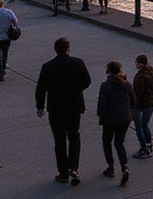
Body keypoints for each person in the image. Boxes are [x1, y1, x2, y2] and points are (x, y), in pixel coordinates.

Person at [35, 36, 92, 185]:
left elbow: (41, 88)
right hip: (74, 106)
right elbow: (87, 81)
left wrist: (40, 106)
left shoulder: (47, 67)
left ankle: (63, 173)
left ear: (55, 49)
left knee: (59, 141)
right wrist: (75, 90)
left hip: (56, 108)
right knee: (74, 136)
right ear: (68, 49)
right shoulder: (78, 63)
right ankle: (74, 168)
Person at [97, 60, 135, 185]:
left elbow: (102, 105)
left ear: (108, 71)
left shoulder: (106, 86)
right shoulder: (127, 84)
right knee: (119, 143)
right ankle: (125, 167)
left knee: (107, 142)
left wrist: (101, 116)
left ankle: (110, 167)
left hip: (110, 119)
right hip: (125, 118)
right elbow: (133, 101)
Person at [131, 54, 153, 158]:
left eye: (137, 62)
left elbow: (136, 92)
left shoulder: (140, 76)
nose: (135, 64)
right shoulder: (152, 73)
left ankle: (144, 149)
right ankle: (149, 144)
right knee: (145, 124)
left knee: (139, 127)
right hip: (151, 103)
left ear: (140, 63)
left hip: (140, 104)